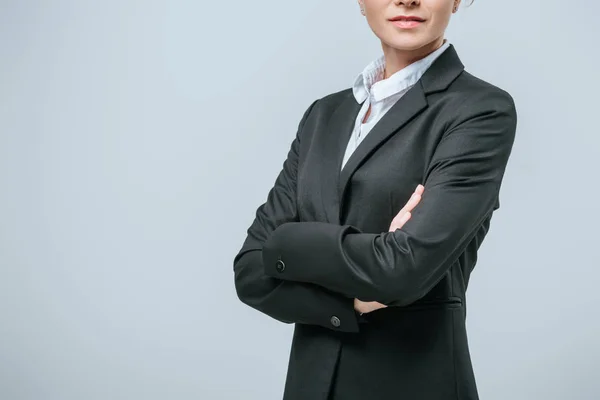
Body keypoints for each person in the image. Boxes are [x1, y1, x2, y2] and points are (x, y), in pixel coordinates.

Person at [233, 0, 517, 399]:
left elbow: (402, 270)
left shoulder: (480, 111)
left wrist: (286, 243)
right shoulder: (323, 115)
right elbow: (250, 271)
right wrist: (354, 300)